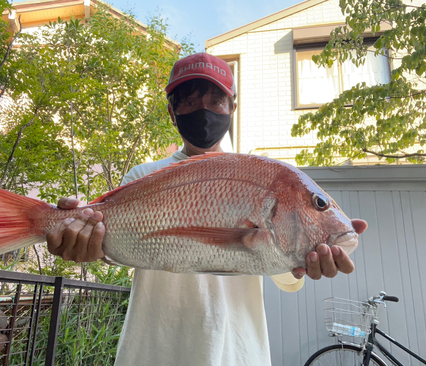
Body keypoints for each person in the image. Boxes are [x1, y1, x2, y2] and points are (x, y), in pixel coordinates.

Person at [46, 53, 368, 366]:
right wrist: (83, 239)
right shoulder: (142, 177)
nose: (203, 111)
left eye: (215, 101)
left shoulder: (260, 174)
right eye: (188, 101)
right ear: (172, 113)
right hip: (153, 351)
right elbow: (118, 250)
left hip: (237, 353)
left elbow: (284, 275)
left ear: (232, 108)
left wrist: (306, 255)